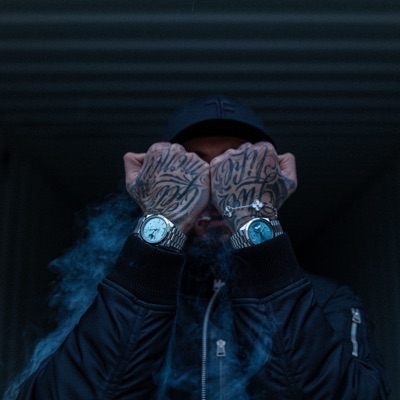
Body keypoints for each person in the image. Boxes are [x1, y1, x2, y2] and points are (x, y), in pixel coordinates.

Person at [16, 95, 390, 399]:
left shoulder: (328, 300)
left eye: (235, 167)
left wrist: (253, 218)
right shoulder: (106, 293)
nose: (216, 189)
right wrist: (163, 220)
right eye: (196, 166)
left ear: (271, 181)